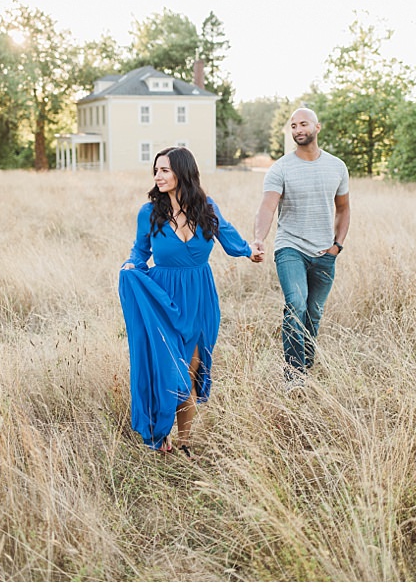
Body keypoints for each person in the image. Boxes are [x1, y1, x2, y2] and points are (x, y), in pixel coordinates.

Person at [118, 147, 262, 458]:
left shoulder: (207, 208)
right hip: (164, 299)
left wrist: (250, 251)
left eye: (165, 170)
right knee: (171, 370)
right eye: (156, 170)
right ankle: (159, 433)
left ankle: (184, 443)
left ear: (183, 172)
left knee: (192, 372)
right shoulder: (149, 213)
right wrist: (131, 266)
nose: (158, 176)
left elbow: (229, 237)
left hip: (199, 298)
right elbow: (140, 252)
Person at [253, 107, 350, 390]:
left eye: (303, 124)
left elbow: (343, 209)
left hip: (324, 253)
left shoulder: (337, 167)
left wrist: (337, 245)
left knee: (313, 313)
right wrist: (259, 238)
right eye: (293, 126)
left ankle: (306, 366)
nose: (297, 130)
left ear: (317, 127)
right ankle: (293, 376)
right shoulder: (281, 168)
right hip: (290, 247)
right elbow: (267, 207)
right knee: (296, 304)